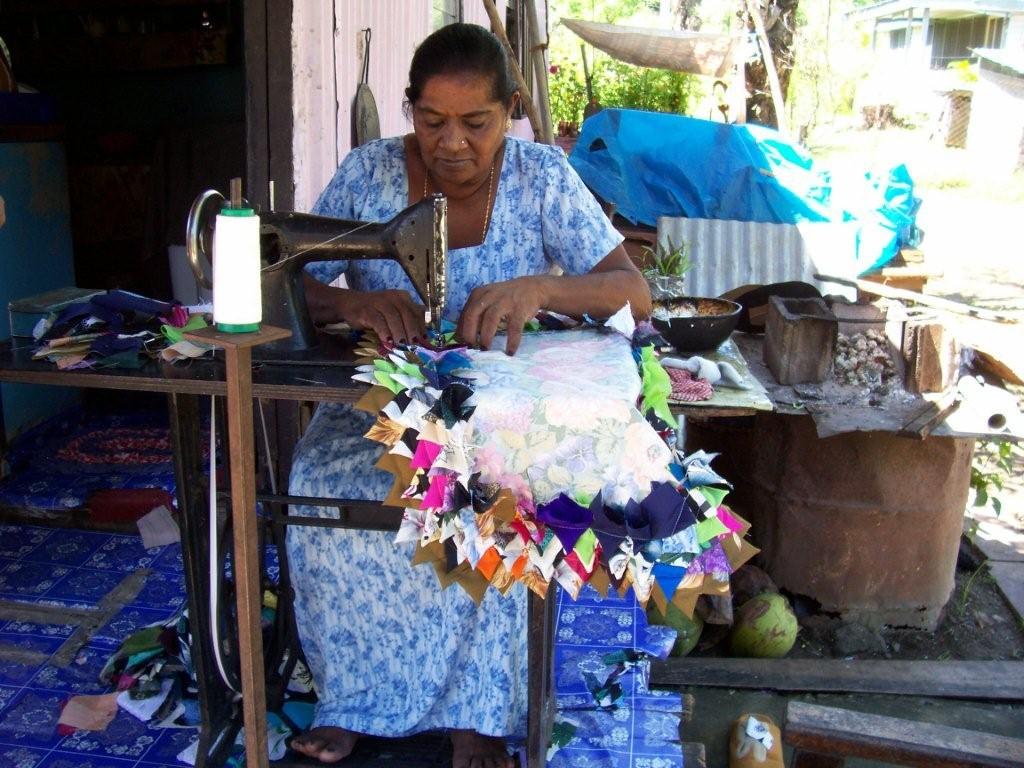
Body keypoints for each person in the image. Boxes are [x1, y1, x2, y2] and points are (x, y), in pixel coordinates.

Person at [287, 23, 650, 768]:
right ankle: (355, 700)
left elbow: (632, 292)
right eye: (431, 121)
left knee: (495, 497)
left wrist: (542, 285)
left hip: (501, 412)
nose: (450, 142)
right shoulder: (368, 174)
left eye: (475, 123)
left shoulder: (542, 177)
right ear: (409, 108)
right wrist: (351, 306)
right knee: (325, 492)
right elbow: (294, 284)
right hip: (379, 409)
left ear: (511, 109)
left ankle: (478, 718)